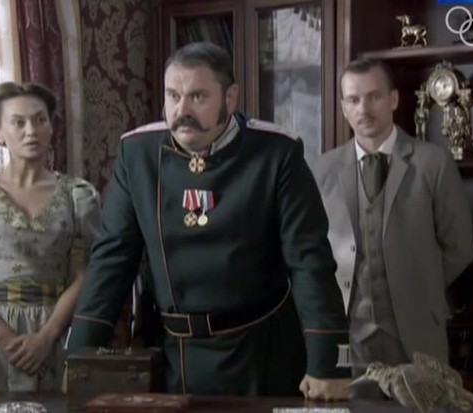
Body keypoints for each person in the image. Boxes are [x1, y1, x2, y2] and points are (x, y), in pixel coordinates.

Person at [66, 41, 350, 400]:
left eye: (197, 97)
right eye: (173, 96)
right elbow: (111, 260)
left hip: (263, 351)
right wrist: (78, 358)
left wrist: (330, 365)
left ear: (230, 98)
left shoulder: (277, 152)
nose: (181, 110)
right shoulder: (136, 153)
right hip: (171, 357)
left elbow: (310, 262)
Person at [310, 57, 473, 399]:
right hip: (347, 335)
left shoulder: (433, 163)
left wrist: (416, 287)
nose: (364, 108)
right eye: (354, 99)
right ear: (343, 107)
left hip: (418, 332)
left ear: (394, 99)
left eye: (374, 96)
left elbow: (459, 248)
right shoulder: (322, 170)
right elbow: (312, 253)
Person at [0, 81, 102, 392]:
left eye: (40, 120)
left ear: (51, 128)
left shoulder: (77, 196)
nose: (31, 131)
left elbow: (82, 277)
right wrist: (7, 339)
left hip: (55, 335)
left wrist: (46, 338)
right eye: (19, 122)